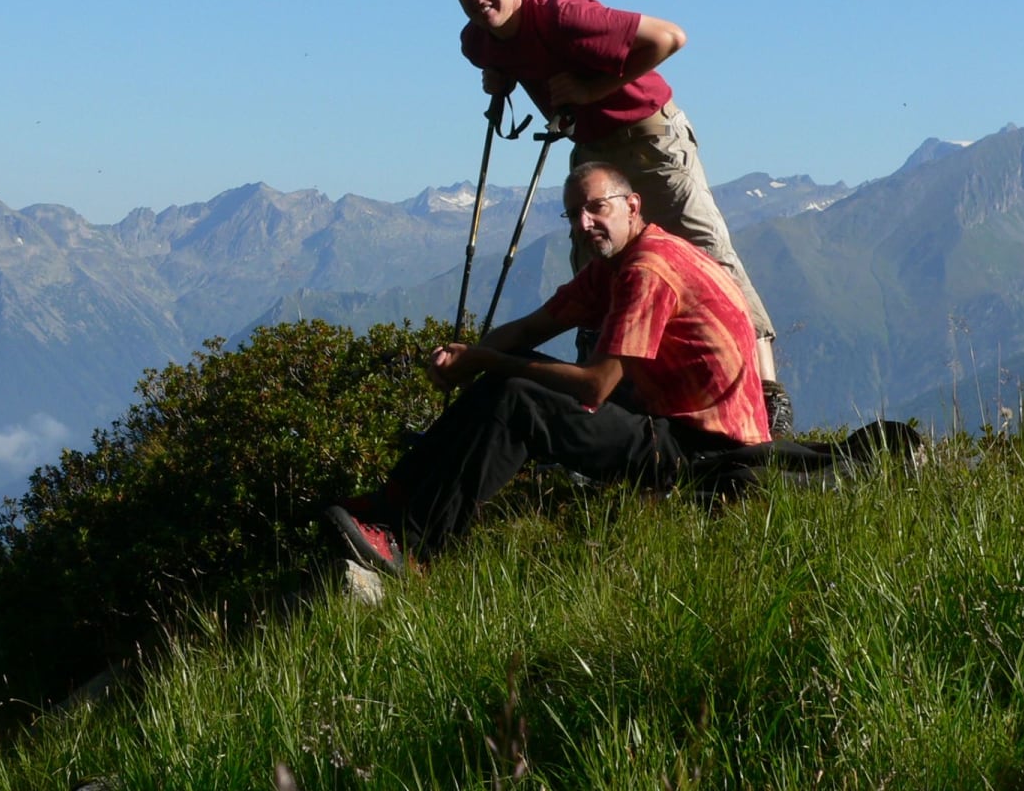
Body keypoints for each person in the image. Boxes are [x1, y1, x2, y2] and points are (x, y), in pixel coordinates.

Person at [324, 162, 770, 576]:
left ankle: (415, 547)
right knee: (508, 380)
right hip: (669, 418)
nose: (584, 224)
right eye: (574, 214)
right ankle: (392, 502)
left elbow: (595, 387)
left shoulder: (647, 270)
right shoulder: (616, 264)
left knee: (518, 399)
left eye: (596, 208)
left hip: (700, 450)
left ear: (632, 205)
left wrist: (488, 360)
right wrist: (467, 358)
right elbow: (532, 328)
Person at [444, 0, 792, 436]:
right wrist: (498, 78)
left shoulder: (564, 16)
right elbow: (497, 57)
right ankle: (604, 401)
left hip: (651, 138)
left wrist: (592, 90)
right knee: (597, 270)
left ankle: (768, 396)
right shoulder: (478, 42)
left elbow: (670, 37)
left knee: (709, 255)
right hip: (594, 149)